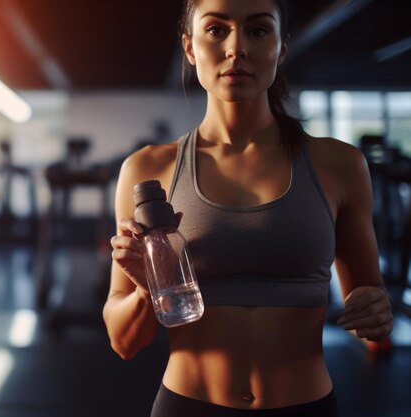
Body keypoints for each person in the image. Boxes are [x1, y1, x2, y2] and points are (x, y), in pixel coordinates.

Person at [102, 0, 394, 416]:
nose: (236, 48)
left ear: (282, 46)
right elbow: (123, 342)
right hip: (188, 405)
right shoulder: (149, 169)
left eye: (258, 30)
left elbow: (372, 307)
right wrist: (151, 286)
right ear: (189, 47)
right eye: (216, 30)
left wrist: (377, 312)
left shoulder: (340, 165)